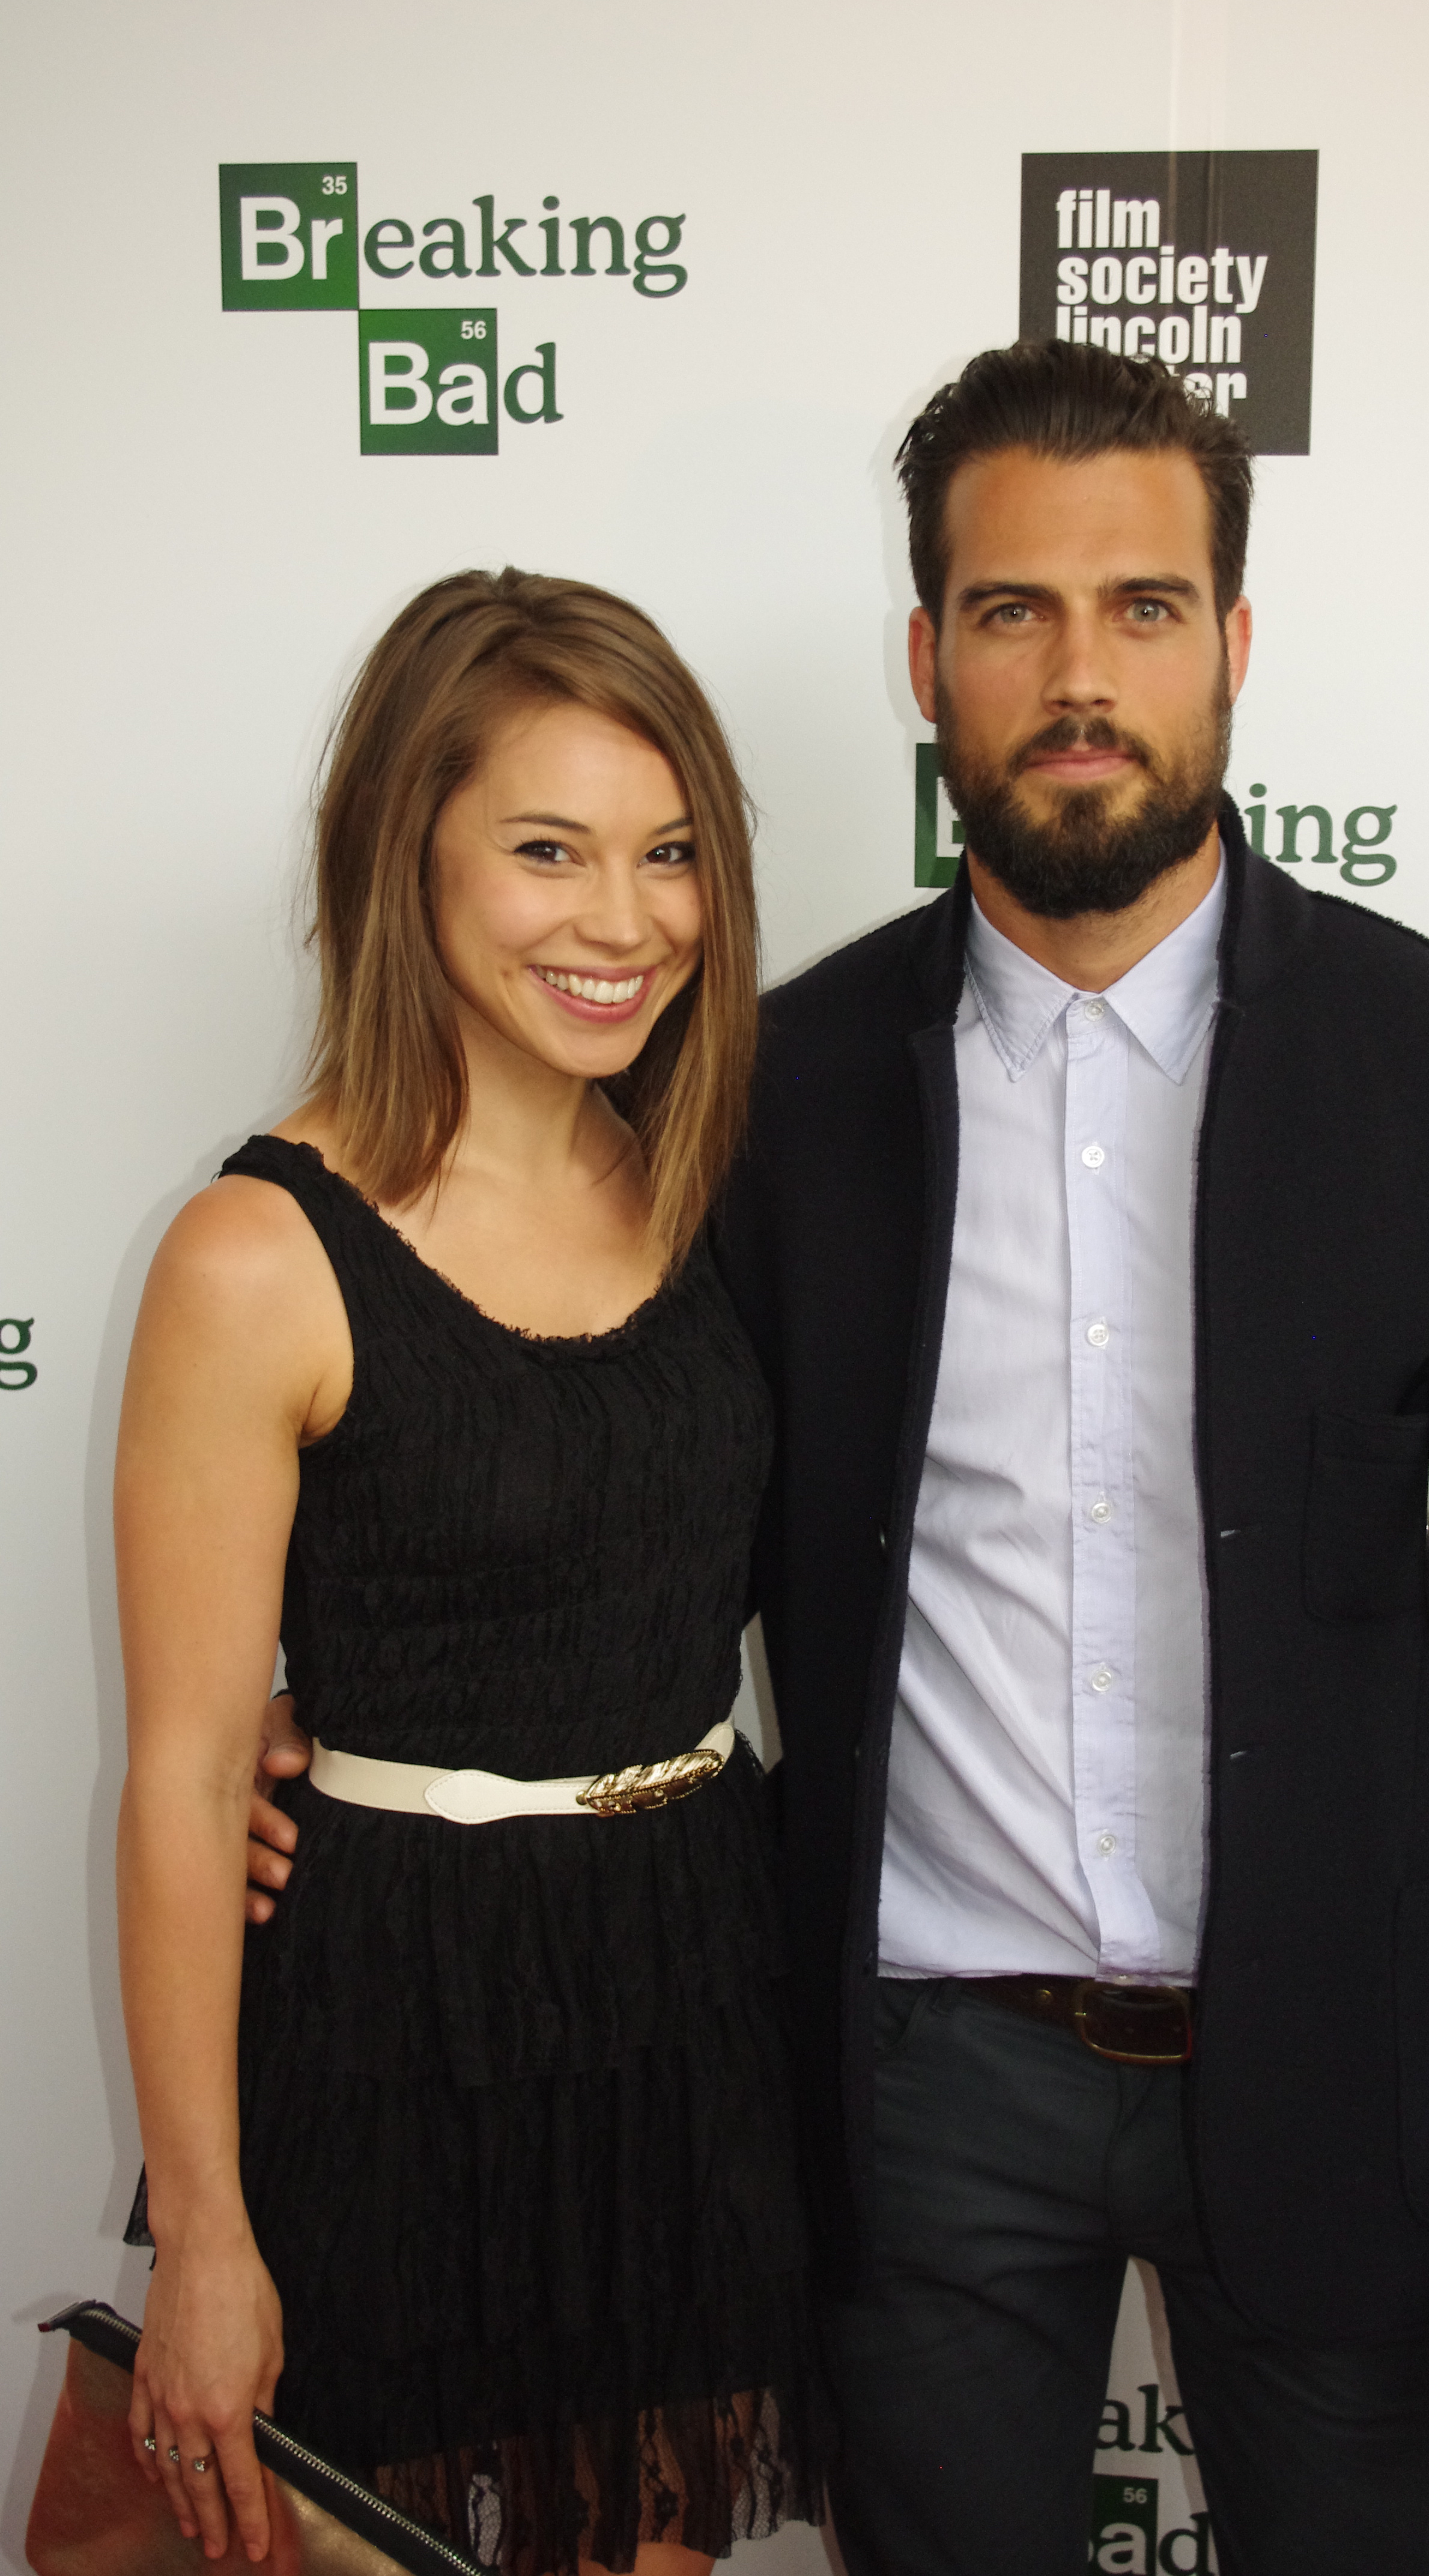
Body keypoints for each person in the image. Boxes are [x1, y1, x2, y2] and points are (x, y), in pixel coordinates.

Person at [250, 347, 1429, 2575]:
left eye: (1144, 608)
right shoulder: (771, 1099)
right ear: (929, 661)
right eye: (1015, 612)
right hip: (918, 2095)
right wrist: (343, 1721)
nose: (1081, 674)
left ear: (1234, 642)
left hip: (1354, 2084)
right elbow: (625, 1496)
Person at [114, 570, 827, 2576]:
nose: (626, 920)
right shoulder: (256, 1258)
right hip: (393, 2027)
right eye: (547, 850)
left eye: (672, 851)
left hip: (692, 1987)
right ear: (401, 853)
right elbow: (179, 1780)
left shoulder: (700, 1178)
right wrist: (206, 2237)